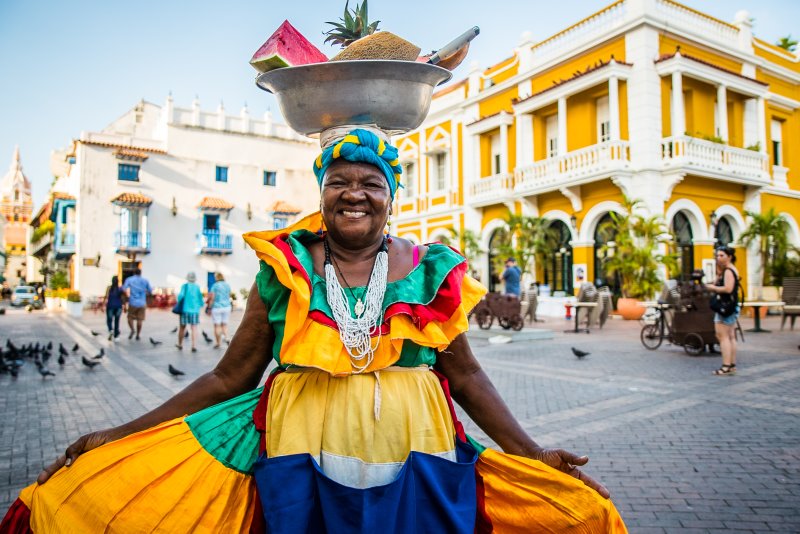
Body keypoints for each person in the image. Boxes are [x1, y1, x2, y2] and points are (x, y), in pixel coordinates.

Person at [2, 132, 625, 532]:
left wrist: (532, 452)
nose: (354, 193)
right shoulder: (284, 271)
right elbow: (230, 375)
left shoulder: (432, 270)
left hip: (419, 452)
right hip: (300, 450)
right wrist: (120, 433)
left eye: (371, 183)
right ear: (322, 194)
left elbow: (464, 373)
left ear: (392, 197)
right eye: (339, 182)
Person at [705, 246, 740, 375]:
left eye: (722, 255)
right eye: (717, 255)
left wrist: (712, 288)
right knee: (730, 336)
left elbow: (728, 289)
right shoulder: (729, 270)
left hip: (725, 306)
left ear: (729, 256)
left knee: (723, 336)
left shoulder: (729, 271)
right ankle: (731, 364)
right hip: (731, 306)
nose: (719, 258)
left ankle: (726, 366)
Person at [176, 272, 204, 353]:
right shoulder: (197, 287)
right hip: (195, 310)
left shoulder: (184, 286)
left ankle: (180, 344)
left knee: (182, 327)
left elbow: (180, 297)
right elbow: (200, 299)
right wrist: (201, 305)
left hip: (185, 310)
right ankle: (194, 345)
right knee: (194, 328)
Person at [122, 268, 152, 340]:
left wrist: (126, 296)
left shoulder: (129, 279)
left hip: (133, 302)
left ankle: (132, 329)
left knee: (130, 318)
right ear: (140, 273)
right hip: (142, 302)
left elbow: (124, 288)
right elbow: (150, 291)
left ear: (134, 272)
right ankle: (138, 334)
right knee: (140, 320)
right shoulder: (145, 280)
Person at [206, 272, 232, 348]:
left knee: (217, 326)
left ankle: (218, 343)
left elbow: (212, 298)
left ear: (216, 278)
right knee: (224, 325)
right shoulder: (227, 285)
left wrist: (209, 308)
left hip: (217, 307)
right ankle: (227, 337)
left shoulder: (215, 286)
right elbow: (229, 295)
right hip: (227, 307)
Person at [104, 276, 124, 341]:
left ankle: (110, 330)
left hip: (110, 306)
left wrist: (103, 305)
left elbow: (106, 297)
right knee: (117, 321)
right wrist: (125, 306)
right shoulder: (120, 289)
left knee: (109, 320)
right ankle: (116, 336)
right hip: (118, 307)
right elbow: (123, 298)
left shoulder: (109, 288)